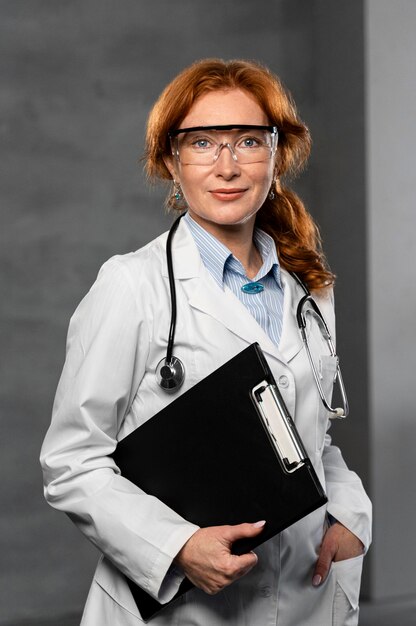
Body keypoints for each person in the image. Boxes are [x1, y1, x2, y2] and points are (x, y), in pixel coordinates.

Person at [40, 58, 372, 626]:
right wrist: (178, 547)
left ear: (276, 153)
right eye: (201, 144)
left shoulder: (309, 287)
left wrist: (348, 512)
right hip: (187, 609)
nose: (227, 166)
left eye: (247, 140)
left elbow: (312, 439)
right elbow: (72, 462)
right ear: (171, 160)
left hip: (307, 595)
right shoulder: (131, 286)